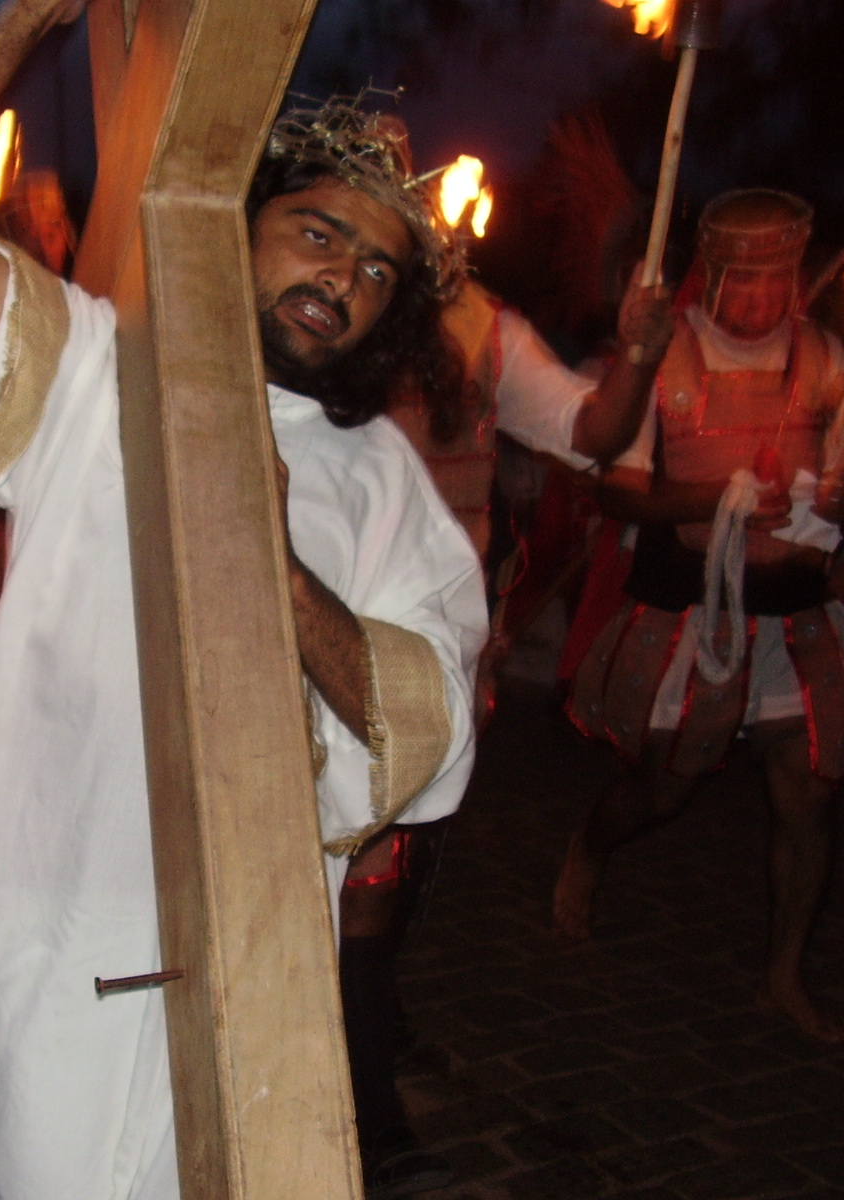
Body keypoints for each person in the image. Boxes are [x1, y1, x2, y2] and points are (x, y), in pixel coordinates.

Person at [0, 2, 487, 1195]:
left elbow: (422, 728)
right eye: (317, 231)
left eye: (376, 270)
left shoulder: (384, 481)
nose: (341, 276)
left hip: (247, 978)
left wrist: (270, 558)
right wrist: (31, 18)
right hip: (45, 941)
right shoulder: (90, 365)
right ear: (230, 223)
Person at [342, 173, 674, 1196]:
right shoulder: (335, 310)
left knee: (410, 858)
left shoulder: (487, 330)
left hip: (445, 648)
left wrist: (639, 353)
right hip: (334, 640)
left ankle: (369, 1009)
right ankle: (368, 1114)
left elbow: (594, 432)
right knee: (361, 879)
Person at [554, 188, 844, 1043]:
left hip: (794, 620)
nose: (761, 297)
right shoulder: (663, 356)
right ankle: (591, 845)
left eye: (777, 280)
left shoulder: (824, 357)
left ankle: (784, 976)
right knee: (667, 785)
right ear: (716, 275)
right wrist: (717, 499)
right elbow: (618, 493)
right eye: (745, 279)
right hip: (694, 614)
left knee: (810, 796)